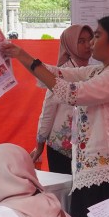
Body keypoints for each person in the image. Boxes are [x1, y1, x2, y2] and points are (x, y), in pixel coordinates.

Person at [1, 15, 109, 217]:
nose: (91, 43)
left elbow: (71, 94)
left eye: (97, 36)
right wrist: (22, 56)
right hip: (94, 172)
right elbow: (62, 74)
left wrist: (24, 57)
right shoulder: (101, 70)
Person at [31, 24, 93, 175]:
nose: (88, 45)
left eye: (90, 40)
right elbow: (48, 110)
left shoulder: (92, 72)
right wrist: (40, 145)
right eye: (81, 41)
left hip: (86, 148)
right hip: (61, 148)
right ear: (70, 44)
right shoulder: (61, 73)